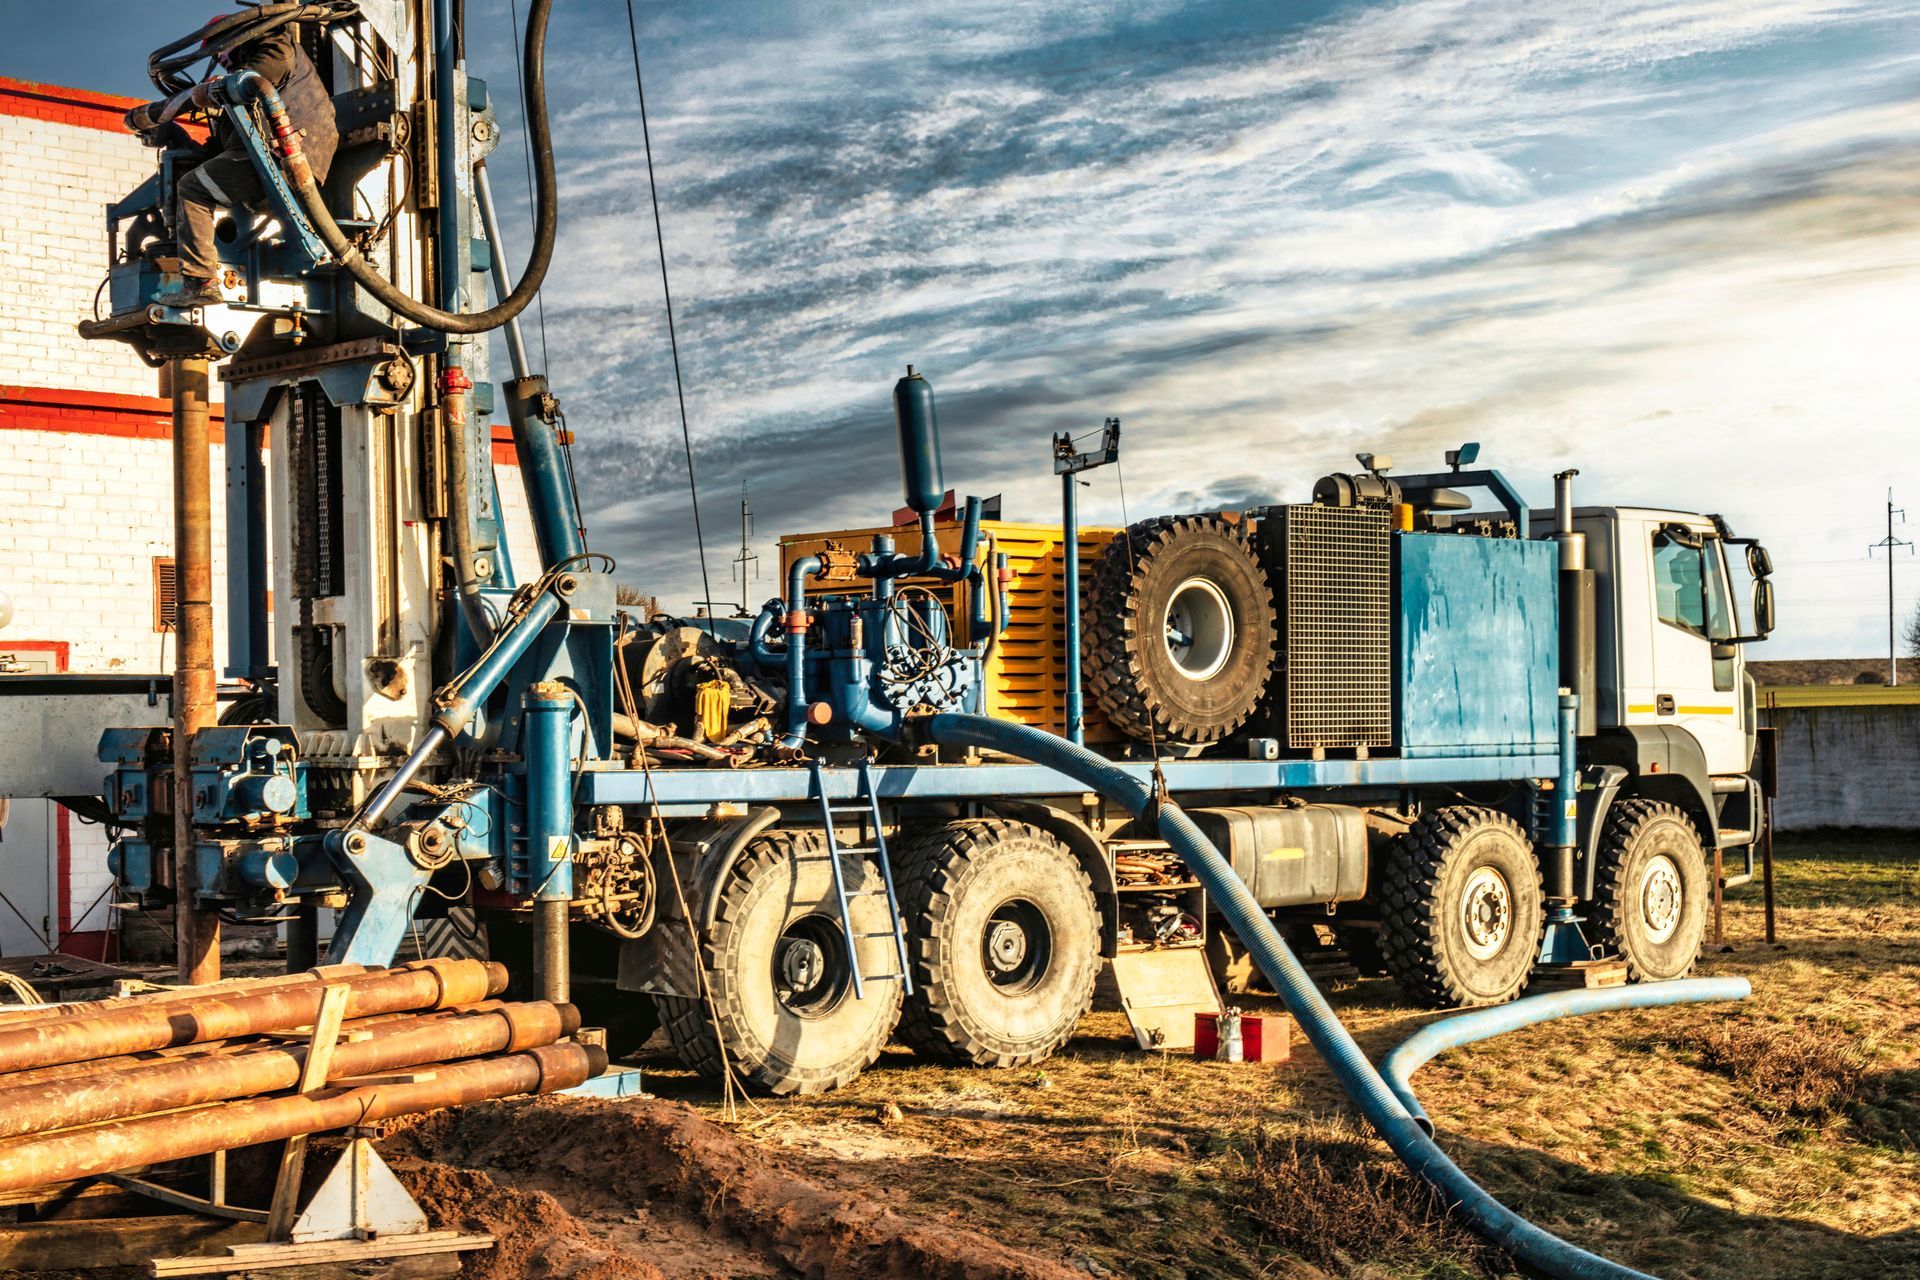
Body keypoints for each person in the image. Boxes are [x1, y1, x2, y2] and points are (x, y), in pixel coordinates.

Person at [147, 18, 338, 307]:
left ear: (237, 36)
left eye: (219, 50)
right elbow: (223, 148)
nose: (220, 59)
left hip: (284, 154)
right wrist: (178, 139)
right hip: (266, 155)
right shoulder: (240, 91)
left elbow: (262, 74)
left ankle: (200, 282)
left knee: (193, 189)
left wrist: (216, 89)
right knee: (197, 179)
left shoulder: (274, 45)